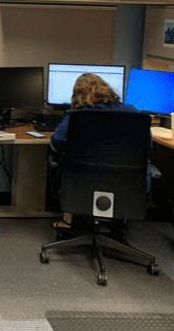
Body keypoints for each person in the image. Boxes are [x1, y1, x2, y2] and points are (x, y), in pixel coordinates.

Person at [48, 72, 150, 229]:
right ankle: (119, 223)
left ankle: (67, 222)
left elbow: (57, 143)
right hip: (126, 181)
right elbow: (147, 145)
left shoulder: (78, 116)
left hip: (82, 179)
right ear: (107, 90)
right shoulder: (133, 113)